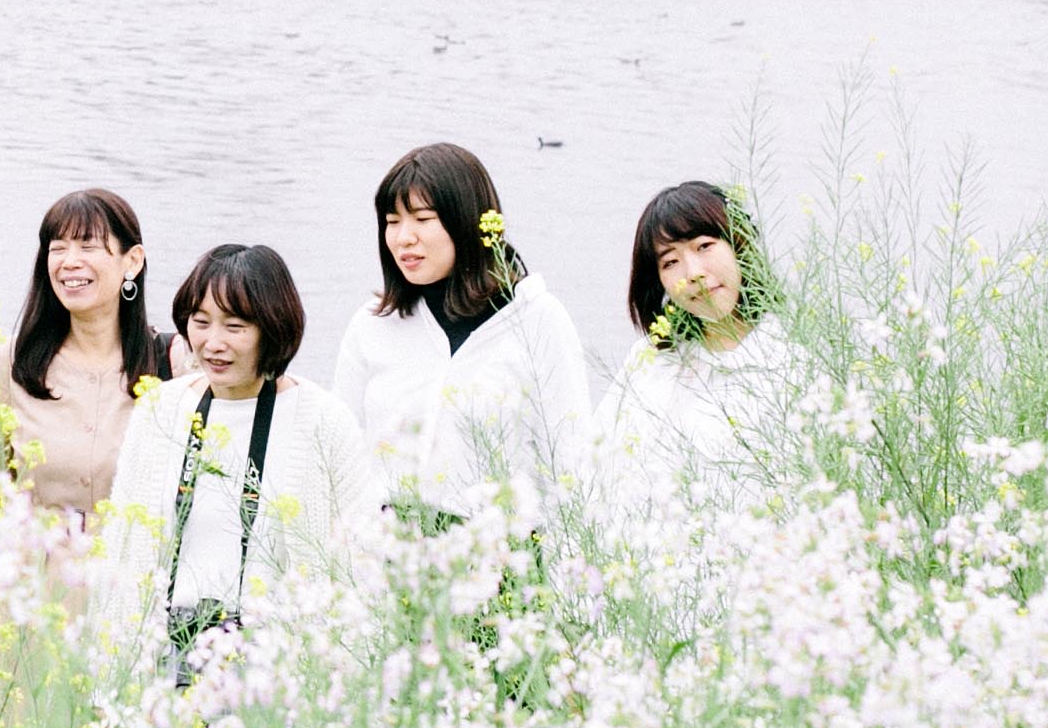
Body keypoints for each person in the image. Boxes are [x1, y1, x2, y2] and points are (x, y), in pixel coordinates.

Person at [105, 244, 380, 682]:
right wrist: (111, 680)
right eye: (200, 323)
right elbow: (121, 553)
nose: (214, 343)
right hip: (166, 661)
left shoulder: (324, 421)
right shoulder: (160, 410)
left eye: (235, 326)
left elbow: (362, 565)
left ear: (272, 329)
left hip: (279, 670)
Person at [331, 143, 599, 526]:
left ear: (467, 221)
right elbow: (339, 455)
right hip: (388, 549)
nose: (404, 238)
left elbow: (570, 461)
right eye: (392, 221)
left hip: (498, 550)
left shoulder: (536, 320)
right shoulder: (373, 323)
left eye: (422, 219)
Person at [584, 180, 800, 521]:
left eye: (704, 246)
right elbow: (593, 475)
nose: (694, 273)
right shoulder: (651, 360)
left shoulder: (796, 359)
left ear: (739, 244)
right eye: (671, 262)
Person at [0, 187, 176, 517]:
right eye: (58, 249)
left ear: (133, 261)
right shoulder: (17, 361)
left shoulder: (173, 362)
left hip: (132, 552)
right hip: (37, 552)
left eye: (88, 247)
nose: (70, 262)